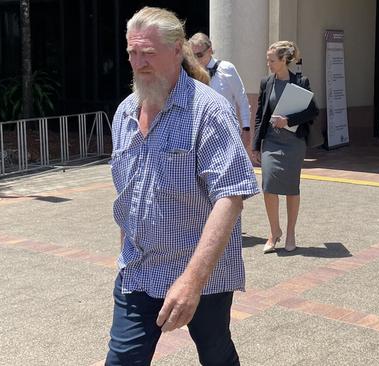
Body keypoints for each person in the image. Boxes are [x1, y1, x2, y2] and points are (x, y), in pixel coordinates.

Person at [106, 7, 259, 365]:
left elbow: (231, 196)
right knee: (123, 360)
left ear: (177, 51)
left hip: (202, 276)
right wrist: (123, 257)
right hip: (138, 271)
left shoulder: (209, 111)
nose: (138, 62)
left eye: (148, 53)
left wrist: (192, 281)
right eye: (132, 53)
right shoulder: (125, 114)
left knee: (216, 353)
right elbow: (127, 198)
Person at [251, 41, 319, 254]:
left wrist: (288, 120)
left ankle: (290, 233)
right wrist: (255, 145)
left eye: (272, 60)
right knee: (269, 186)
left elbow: (312, 111)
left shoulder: (301, 81)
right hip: (271, 141)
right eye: (267, 59)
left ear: (283, 61)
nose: (268, 63)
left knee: (291, 188)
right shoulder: (266, 82)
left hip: (293, 143)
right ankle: (274, 232)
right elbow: (261, 114)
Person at [189, 32, 252, 148]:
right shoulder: (191, 73)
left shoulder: (227, 68)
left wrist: (246, 128)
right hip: (200, 131)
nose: (196, 59)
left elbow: (242, 100)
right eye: (193, 56)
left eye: (199, 55)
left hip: (226, 129)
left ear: (210, 50)